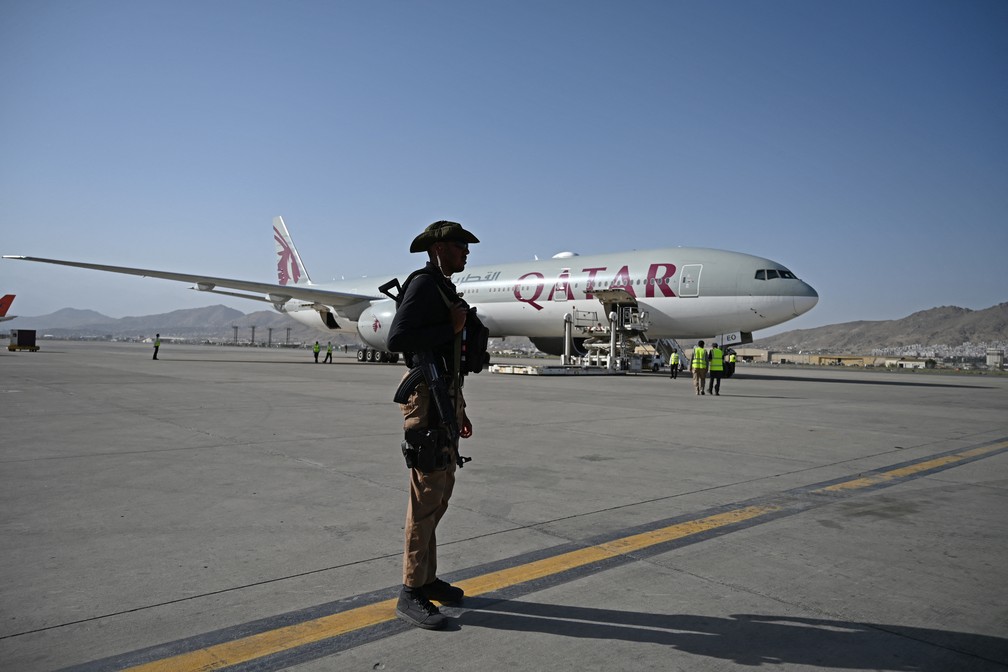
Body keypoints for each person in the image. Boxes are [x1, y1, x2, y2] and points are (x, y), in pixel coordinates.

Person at [387, 220, 479, 630]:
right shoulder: (423, 284)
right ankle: (410, 591)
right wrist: (452, 328)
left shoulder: (443, 287)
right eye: (460, 245)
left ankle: (426, 578)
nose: (466, 252)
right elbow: (398, 337)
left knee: (440, 493)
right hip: (425, 402)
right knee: (425, 497)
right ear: (439, 247)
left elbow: (449, 356)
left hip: (444, 398)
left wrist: (460, 410)